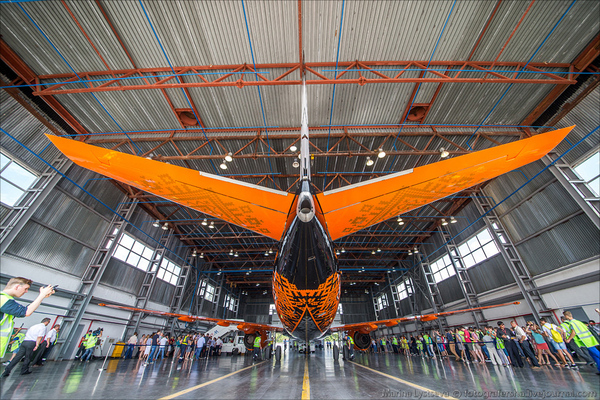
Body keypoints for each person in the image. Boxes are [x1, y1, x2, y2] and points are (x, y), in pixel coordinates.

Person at [0, 277, 55, 359]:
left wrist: (42, 296)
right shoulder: (3, 299)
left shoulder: (4, 299)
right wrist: (42, 295)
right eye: (25, 289)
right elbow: (26, 312)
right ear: (17, 286)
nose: (26, 291)